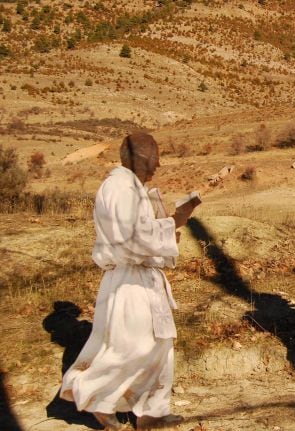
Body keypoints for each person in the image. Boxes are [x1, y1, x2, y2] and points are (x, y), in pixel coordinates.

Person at [60, 132, 199, 430]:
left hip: (141, 280)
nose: (158, 165)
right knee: (133, 347)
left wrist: (167, 225)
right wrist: (175, 221)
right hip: (129, 283)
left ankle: (152, 412)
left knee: (159, 346)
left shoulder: (130, 189)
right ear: (144, 156)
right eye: (157, 157)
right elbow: (131, 240)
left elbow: (141, 233)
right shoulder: (121, 188)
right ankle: (94, 395)